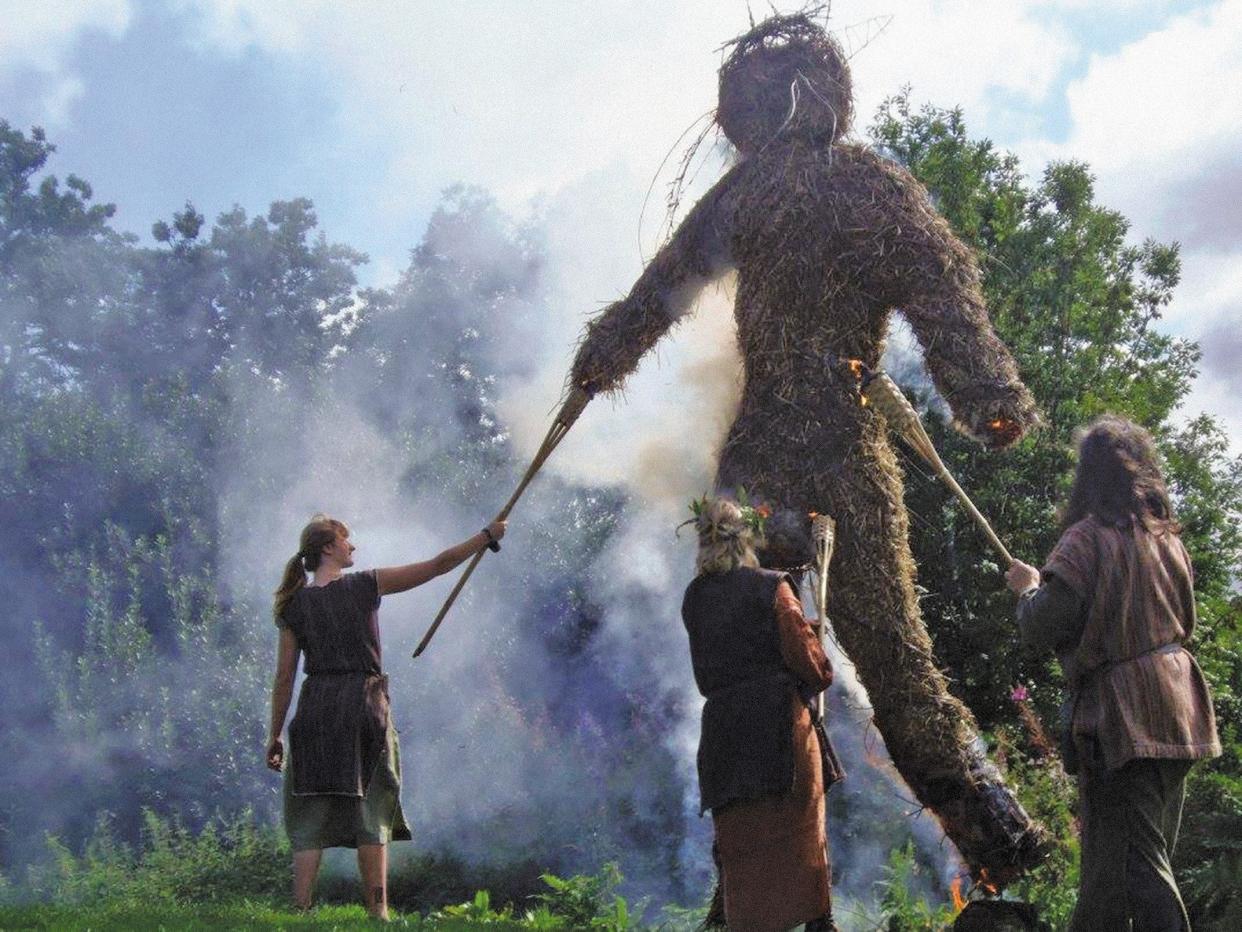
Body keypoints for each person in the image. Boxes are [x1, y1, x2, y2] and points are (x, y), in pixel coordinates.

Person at [1004, 415, 1220, 931]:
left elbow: (1044, 622)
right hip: (1178, 709)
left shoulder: (1086, 539)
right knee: (1106, 880)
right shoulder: (1167, 539)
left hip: (1127, 721)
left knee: (1137, 869)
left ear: (1088, 476)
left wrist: (1027, 589)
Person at [266, 512, 506, 920]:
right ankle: (379, 914)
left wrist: (274, 736)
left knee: (309, 810)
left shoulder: (294, 604)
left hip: (314, 710)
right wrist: (484, 536)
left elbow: (285, 677)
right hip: (362, 707)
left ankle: (300, 909)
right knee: (370, 810)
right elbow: (437, 566)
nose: (353, 547)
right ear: (328, 548)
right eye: (346, 541)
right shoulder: (363, 585)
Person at [681, 498, 839, 932]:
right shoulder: (772, 587)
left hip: (725, 737)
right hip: (778, 729)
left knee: (742, 843)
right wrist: (817, 655)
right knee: (802, 832)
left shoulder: (694, 598)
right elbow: (812, 667)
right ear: (748, 537)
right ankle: (816, 923)